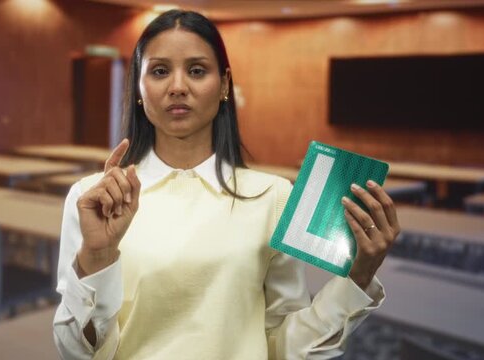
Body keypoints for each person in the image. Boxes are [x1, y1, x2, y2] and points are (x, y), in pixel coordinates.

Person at [53, 9, 399, 360]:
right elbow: (74, 352)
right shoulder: (93, 199)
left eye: (197, 70)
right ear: (139, 89)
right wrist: (97, 256)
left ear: (223, 85)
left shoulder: (274, 197)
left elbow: (284, 346)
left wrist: (358, 277)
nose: (177, 87)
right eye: (159, 71)